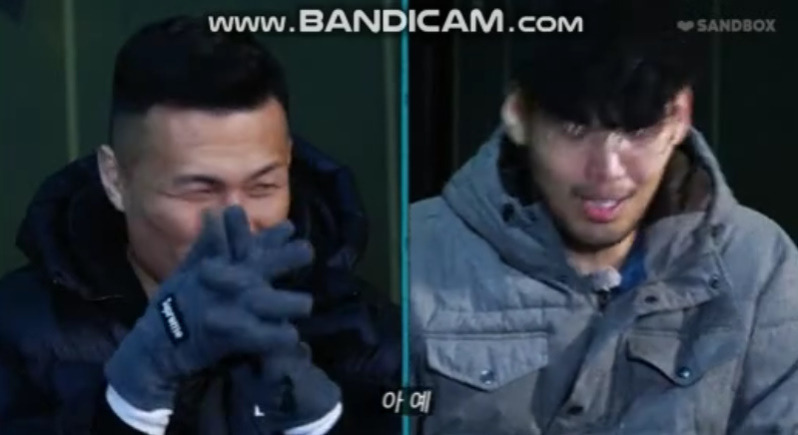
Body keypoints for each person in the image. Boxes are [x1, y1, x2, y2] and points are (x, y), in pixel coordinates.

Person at [410, 0, 798, 433]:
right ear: (518, 114)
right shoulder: (416, 254)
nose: (608, 171)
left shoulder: (759, 265)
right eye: (575, 130)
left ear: (679, 117)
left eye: (638, 131)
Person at [0, 15, 400, 435]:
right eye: (199, 191)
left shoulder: (369, 333)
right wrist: (131, 402)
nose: (237, 223)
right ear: (116, 181)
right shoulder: (16, 333)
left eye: (263, 186)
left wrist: (322, 424)